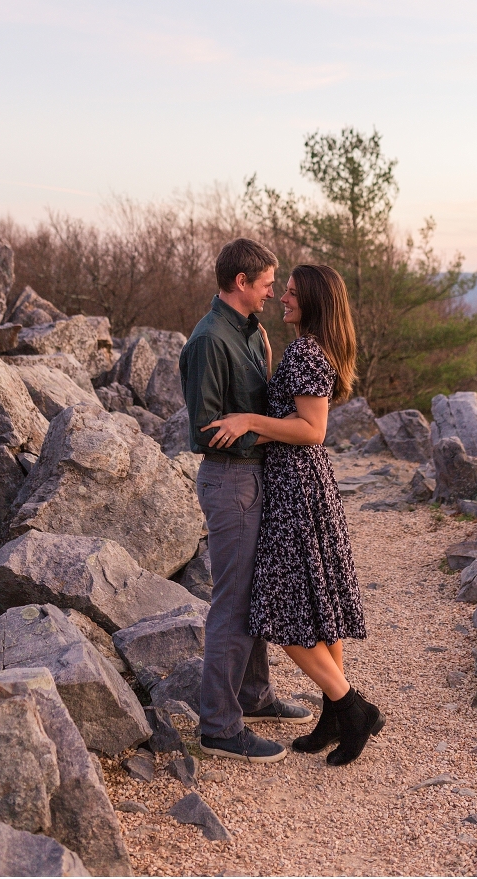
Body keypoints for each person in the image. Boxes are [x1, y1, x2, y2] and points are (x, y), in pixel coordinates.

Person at [203, 263, 384, 767]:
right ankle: (334, 715)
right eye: (279, 290)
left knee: (282, 615)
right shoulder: (313, 346)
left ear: (313, 300)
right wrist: (261, 386)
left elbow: (312, 429)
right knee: (319, 603)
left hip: (296, 488)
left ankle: (352, 707)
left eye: (290, 293)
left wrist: (247, 422)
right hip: (304, 483)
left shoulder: (306, 351)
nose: (281, 298)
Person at [179, 238, 313, 764]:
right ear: (241, 282)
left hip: (255, 478)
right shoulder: (210, 341)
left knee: (254, 596)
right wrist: (277, 435)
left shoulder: (253, 333)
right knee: (231, 605)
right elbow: (204, 430)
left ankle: (254, 696)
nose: (272, 292)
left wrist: (264, 429)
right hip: (229, 481)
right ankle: (218, 725)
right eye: (265, 283)